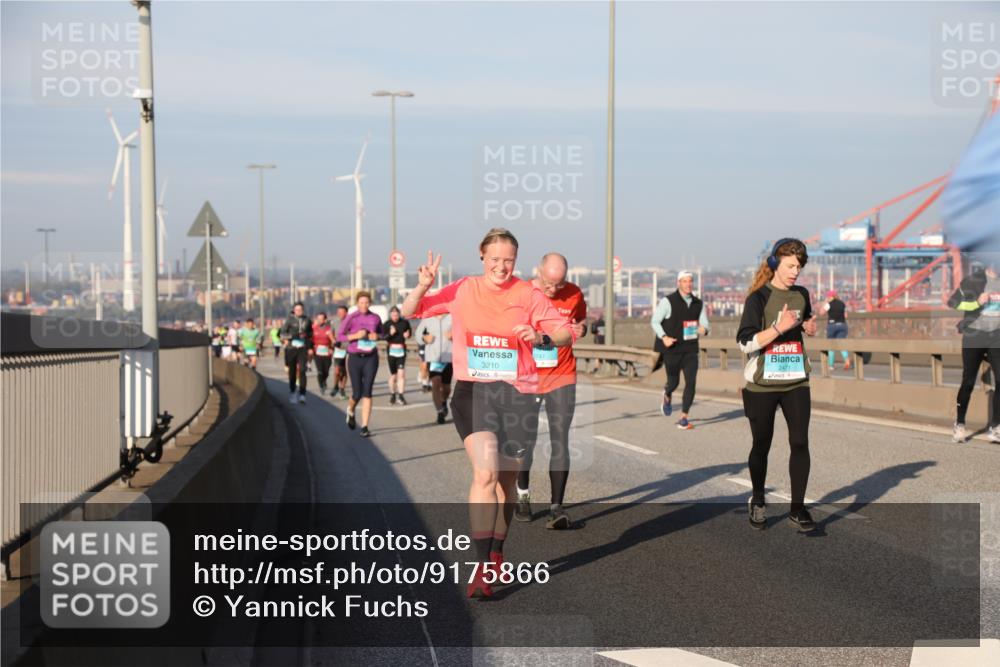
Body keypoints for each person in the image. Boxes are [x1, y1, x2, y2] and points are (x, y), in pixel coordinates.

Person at [401, 228, 576, 598]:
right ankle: (481, 568)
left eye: (508, 260)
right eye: (494, 259)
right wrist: (422, 286)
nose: (501, 266)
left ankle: (498, 550)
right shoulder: (464, 289)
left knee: (506, 483)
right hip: (474, 391)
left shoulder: (527, 294)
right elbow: (410, 312)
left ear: (516, 260)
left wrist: (540, 336)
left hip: (517, 395)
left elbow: (563, 333)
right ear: (482, 257)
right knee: (484, 473)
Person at [736, 238, 819, 532]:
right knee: (762, 444)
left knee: (800, 441)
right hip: (762, 386)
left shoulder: (801, 294)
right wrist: (777, 329)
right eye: (790, 266)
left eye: (799, 266)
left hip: (795, 380)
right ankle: (758, 499)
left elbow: (805, 321)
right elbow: (745, 342)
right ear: (775, 264)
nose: (795, 271)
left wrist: (808, 326)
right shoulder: (758, 298)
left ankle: (798, 508)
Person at [515, 253, 587, 529]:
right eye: (548, 283)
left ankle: (556, 508)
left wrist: (582, 327)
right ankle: (522, 494)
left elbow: (581, 322)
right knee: (525, 440)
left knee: (560, 438)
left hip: (562, 374)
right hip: (528, 376)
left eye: (559, 284)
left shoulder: (575, 294)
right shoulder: (523, 293)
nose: (553, 290)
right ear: (538, 271)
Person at [948, 264, 1000, 443]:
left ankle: (995, 427)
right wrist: (976, 303)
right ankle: (960, 424)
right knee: (968, 381)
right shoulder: (973, 281)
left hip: (997, 337)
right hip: (974, 336)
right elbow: (953, 302)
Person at [651, 271, 710, 429]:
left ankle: (684, 417)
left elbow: (705, 324)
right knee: (674, 382)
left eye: (690, 281)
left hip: (690, 349)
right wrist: (664, 337)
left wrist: (703, 330)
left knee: (691, 382)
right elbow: (655, 321)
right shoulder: (668, 301)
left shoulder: (698, 303)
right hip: (672, 349)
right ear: (679, 283)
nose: (688, 284)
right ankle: (667, 393)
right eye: (684, 281)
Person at [337, 292, 382, 437]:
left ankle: (364, 426)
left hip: (371, 357)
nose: (364, 305)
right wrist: (355, 336)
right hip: (355, 357)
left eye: (367, 302)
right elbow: (340, 336)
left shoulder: (375, 318)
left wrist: (378, 336)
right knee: (357, 392)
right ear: (357, 303)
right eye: (361, 303)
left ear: (370, 303)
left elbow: (383, 333)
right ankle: (350, 410)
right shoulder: (351, 317)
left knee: (367, 391)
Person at [416, 314, 454, 424]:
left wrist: (454, 334)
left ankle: (443, 401)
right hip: (433, 358)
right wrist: (424, 338)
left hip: (449, 357)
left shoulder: (452, 317)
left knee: (446, 388)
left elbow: (463, 331)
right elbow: (418, 335)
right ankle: (440, 412)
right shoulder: (427, 318)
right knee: (436, 383)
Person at [280, 302, 313, 404]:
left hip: (302, 348)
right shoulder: (289, 320)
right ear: (294, 310)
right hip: (291, 348)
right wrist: (293, 335)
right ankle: (293, 391)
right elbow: (282, 334)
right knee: (292, 372)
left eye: (301, 309)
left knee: (302, 370)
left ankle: (302, 394)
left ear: (303, 310)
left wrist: (306, 336)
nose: (299, 311)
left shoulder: (307, 320)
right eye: (297, 310)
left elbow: (311, 333)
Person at [383, 306, 412, 405]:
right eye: (393, 315)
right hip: (391, 350)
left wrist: (407, 335)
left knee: (401, 374)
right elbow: (384, 337)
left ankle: (401, 395)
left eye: (396, 315)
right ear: (390, 315)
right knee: (393, 375)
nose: (395, 317)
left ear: (399, 314)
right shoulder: (387, 324)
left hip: (401, 350)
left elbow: (409, 333)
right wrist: (390, 334)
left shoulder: (404, 323)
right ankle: (392, 394)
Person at [821, 290, 850, 370]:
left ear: (830, 297)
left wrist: (825, 303)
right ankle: (846, 360)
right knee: (842, 344)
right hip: (842, 325)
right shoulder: (842, 303)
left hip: (832, 326)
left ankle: (831, 365)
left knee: (831, 345)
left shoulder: (829, 304)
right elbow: (846, 315)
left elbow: (821, 312)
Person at [311, 312, 335, 395]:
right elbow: (310, 340)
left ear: (325, 320)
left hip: (327, 352)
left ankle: (324, 381)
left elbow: (333, 341)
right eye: (318, 319)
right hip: (317, 352)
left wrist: (332, 348)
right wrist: (310, 348)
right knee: (320, 371)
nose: (320, 321)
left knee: (326, 371)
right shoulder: (313, 328)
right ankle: (321, 385)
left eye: (321, 319)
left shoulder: (329, 329)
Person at [331, 305, 350, 399]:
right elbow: (330, 333)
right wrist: (333, 340)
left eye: (341, 313)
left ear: (346, 313)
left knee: (345, 371)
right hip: (338, 349)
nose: (339, 314)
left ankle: (342, 389)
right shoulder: (334, 321)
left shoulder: (351, 322)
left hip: (348, 349)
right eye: (338, 312)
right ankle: (335, 386)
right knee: (337, 370)